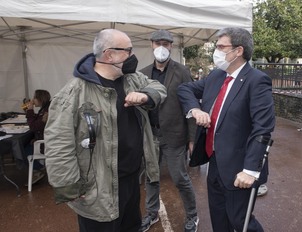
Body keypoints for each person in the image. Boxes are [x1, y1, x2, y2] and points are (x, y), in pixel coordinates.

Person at [44, 29, 167, 232]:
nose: (132, 56)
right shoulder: (74, 92)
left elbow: (159, 88)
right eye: (128, 50)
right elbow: (58, 143)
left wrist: (146, 95)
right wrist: (69, 186)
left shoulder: (132, 79)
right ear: (109, 54)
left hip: (131, 178)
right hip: (98, 187)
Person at [177, 27, 275, 232]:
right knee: (219, 219)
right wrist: (194, 109)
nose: (216, 51)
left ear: (238, 51)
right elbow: (184, 89)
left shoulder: (256, 80)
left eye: (221, 46)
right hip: (214, 162)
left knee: (241, 221)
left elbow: (263, 128)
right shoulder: (217, 76)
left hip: (240, 168)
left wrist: (250, 170)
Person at [139, 29, 198, 232]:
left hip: (175, 136)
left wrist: (192, 138)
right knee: (151, 177)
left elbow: (190, 105)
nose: (162, 47)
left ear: (172, 46)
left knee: (180, 178)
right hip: (151, 136)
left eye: (166, 43)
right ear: (152, 45)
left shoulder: (181, 72)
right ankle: (151, 214)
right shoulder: (143, 73)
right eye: (158, 43)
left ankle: (192, 216)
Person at [24, 89, 51, 184]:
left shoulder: (46, 112)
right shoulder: (45, 108)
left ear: (40, 99)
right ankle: (38, 168)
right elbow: (39, 122)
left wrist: (30, 110)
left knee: (21, 149)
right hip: (44, 139)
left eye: (35, 97)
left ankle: (38, 169)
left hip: (46, 144)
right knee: (26, 143)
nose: (33, 100)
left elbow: (34, 127)